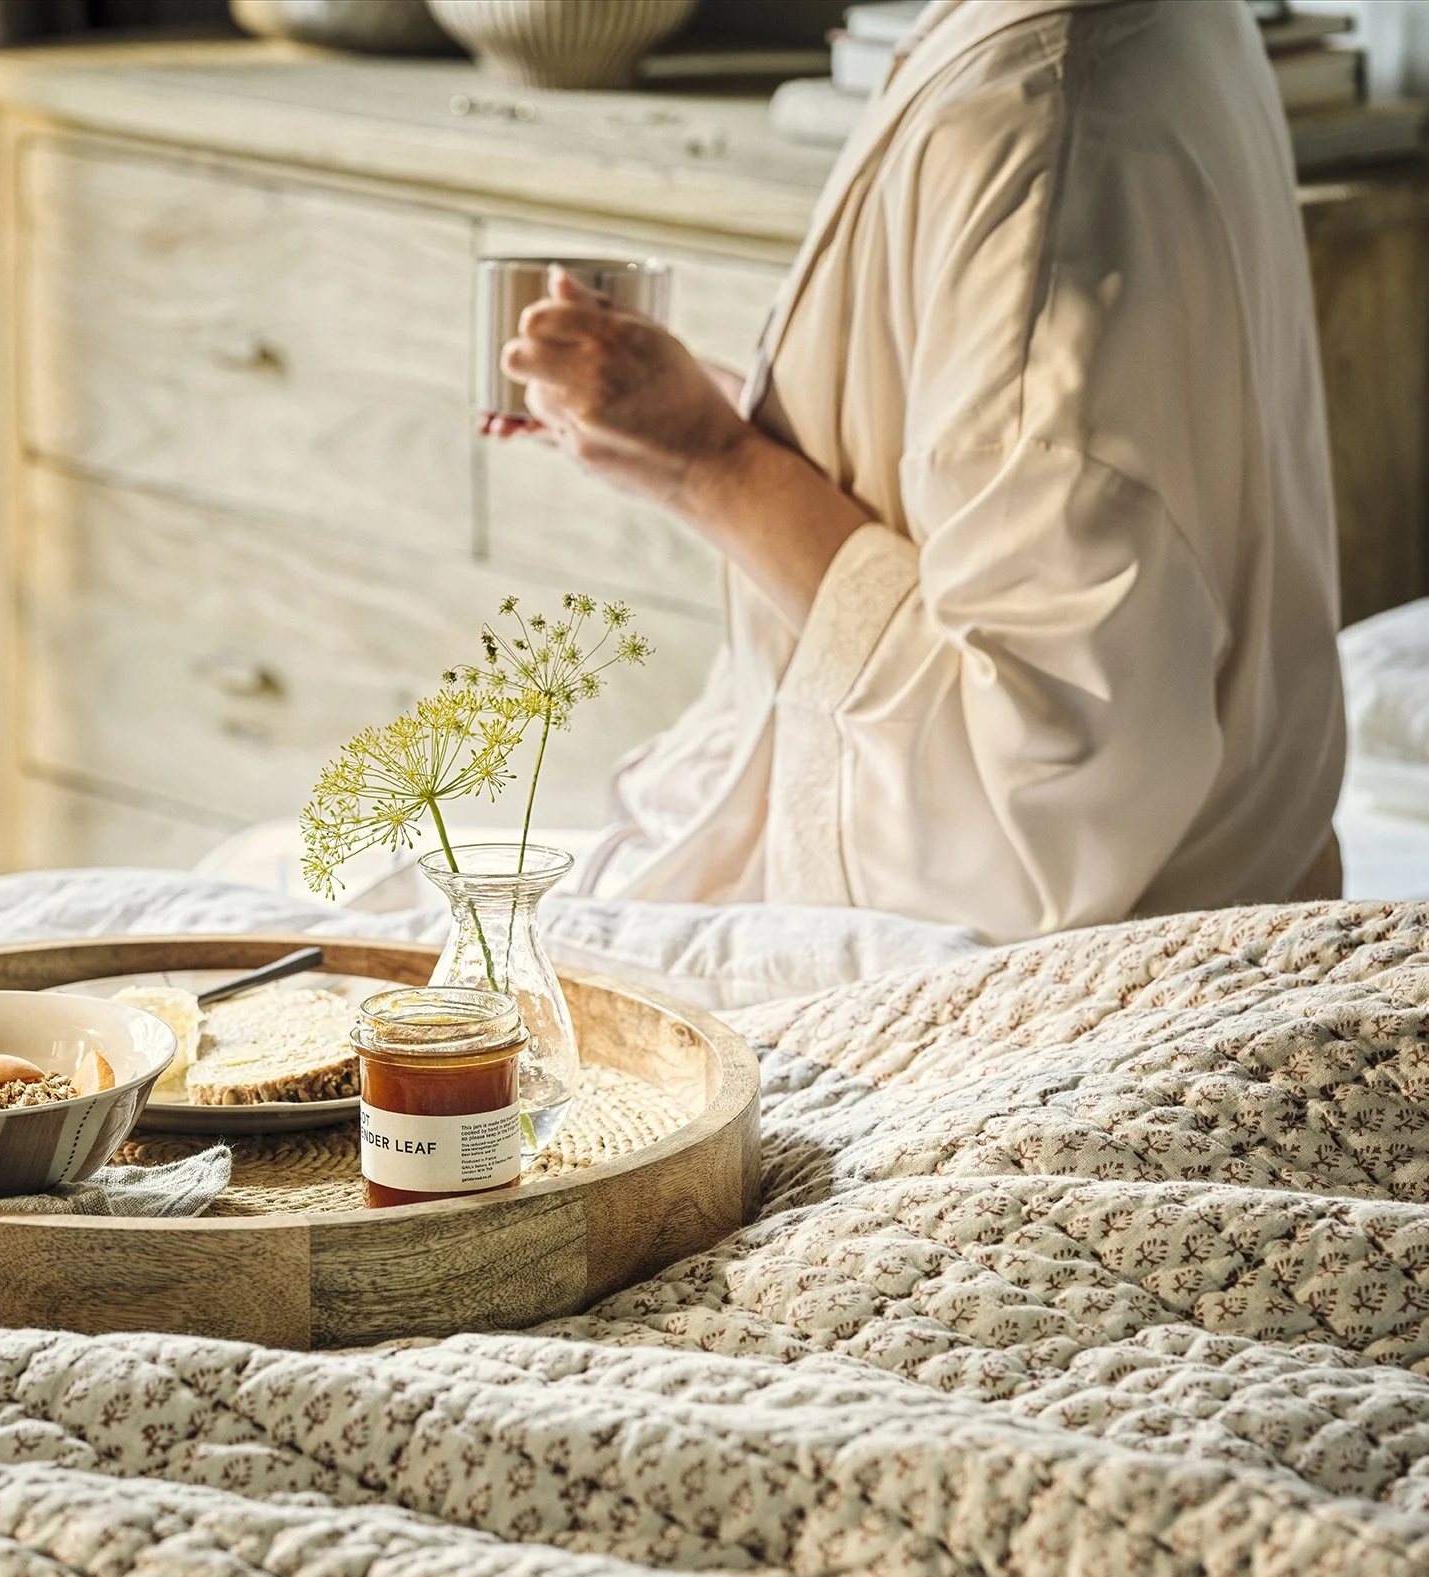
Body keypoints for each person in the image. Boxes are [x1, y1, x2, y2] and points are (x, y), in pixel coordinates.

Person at [495, 0, 1345, 943]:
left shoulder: (1038, 125)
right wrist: (734, 419)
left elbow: (1026, 822)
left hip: (1092, 974)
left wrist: (714, 468)